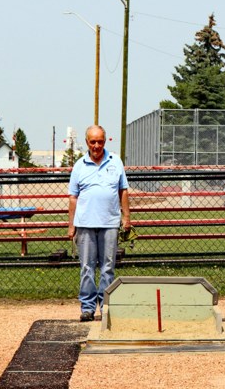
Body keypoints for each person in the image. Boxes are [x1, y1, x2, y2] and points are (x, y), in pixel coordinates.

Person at [67, 125, 131, 322]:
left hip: (110, 223)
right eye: (92, 141)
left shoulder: (115, 162)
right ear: (87, 142)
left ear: (105, 141)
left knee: (107, 267)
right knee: (86, 267)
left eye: (100, 141)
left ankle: (106, 306)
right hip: (85, 224)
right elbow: (73, 198)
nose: (96, 145)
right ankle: (87, 307)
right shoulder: (79, 166)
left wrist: (126, 217)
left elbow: (123, 191)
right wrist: (71, 226)